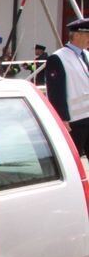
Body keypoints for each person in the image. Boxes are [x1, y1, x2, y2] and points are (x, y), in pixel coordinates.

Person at [45, 18, 89, 158]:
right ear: (77, 35)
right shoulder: (58, 58)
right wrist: (62, 119)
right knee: (73, 159)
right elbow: (56, 92)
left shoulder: (87, 55)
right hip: (74, 121)